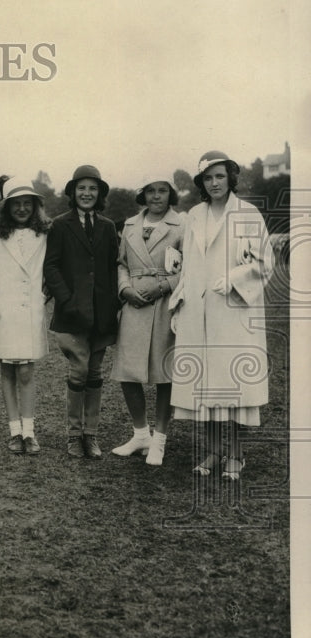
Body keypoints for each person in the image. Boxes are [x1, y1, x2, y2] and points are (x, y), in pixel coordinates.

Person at [169, 151, 274, 481]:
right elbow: (187, 266)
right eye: (207, 178)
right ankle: (214, 452)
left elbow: (264, 263)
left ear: (230, 177)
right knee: (207, 387)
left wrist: (234, 278)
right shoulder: (195, 215)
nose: (214, 183)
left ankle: (236, 455)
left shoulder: (248, 213)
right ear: (201, 183)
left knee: (234, 387)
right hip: (198, 315)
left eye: (219, 176)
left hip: (234, 313)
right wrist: (179, 302)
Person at [43, 164, 120, 460]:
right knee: (78, 371)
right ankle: (74, 436)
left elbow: (114, 269)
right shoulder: (61, 225)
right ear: (72, 193)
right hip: (71, 313)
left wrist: (113, 306)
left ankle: (92, 435)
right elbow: (51, 266)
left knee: (95, 374)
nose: (87, 193)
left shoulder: (108, 227)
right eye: (81, 188)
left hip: (101, 314)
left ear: (99, 193)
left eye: (92, 188)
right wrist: (66, 299)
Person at [109, 173, 185, 466]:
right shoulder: (130, 225)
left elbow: (190, 266)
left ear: (170, 194)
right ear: (142, 195)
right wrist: (124, 288)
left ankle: (160, 440)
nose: (156, 196)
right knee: (127, 371)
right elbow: (121, 263)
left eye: (162, 191)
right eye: (150, 191)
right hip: (133, 304)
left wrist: (164, 286)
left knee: (164, 373)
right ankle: (140, 434)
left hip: (166, 303)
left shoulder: (182, 224)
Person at [0, 177, 51, 455]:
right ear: (7, 207)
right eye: (16, 204)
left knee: (26, 371)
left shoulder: (45, 233)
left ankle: (30, 432)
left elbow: (51, 268)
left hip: (31, 306)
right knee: (7, 369)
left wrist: (46, 293)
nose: (22, 209)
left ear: (35, 207)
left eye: (27, 204)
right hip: (5, 309)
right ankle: (14, 432)